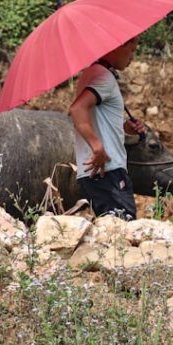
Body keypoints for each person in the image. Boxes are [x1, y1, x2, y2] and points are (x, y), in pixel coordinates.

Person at [68, 36, 146, 220]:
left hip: (97, 171)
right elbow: (77, 109)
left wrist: (125, 128)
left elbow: (99, 120)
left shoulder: (92, 74)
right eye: (132, 49)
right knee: (122, 231)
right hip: (107, 170)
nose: (132, 57)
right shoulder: (103, 76)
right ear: (117, 46)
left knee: (112, 231)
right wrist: (97, 146)